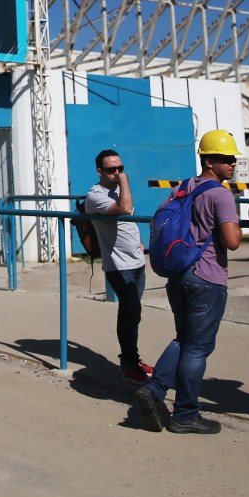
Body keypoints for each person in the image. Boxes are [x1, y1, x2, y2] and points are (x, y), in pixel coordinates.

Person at [133, 130, 243, 434]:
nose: (232, 163)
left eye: (233, 158)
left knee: (184, 338)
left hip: (179, 274)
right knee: (198, 347)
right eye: (226, 158)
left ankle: (154, 389)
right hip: (207, 277)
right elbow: (232, 241)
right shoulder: (221, 194)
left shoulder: (183, 188)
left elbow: (158, 220)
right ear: (210, 161)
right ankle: (185, 414)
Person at [83, 149, 153, 383]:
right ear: (99, 171)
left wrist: (138, 241)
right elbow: (123, 210)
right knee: (131, 311)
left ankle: (131, 359)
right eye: (112, 169)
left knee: (132, 313)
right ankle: (129, 364)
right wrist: (124, 183)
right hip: (118, 264)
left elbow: (128, 221)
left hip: (136, 259)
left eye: (120, 169)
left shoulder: (119, 191)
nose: (117, 173)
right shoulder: (95, 196)